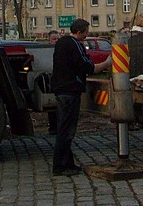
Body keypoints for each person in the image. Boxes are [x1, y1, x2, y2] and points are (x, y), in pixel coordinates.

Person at [51, 19, 111, 175]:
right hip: (70, 90)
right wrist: (106, 63)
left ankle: (68, 163)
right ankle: (60, 166)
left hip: (61, 89)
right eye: (86, 32)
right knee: (67, 129)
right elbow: (86, 66)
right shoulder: (75, 44)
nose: (87, 35)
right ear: (79, 32)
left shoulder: (61, 43)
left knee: (63, 127)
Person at [46, 30, 61, 134]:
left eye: (58, 39)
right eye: (54, 39)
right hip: (51, 81)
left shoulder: (62, 50)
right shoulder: (46, 52)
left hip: (61, 81)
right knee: (52, 107)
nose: (56, 41)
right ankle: (53, 128)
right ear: (49, 41)